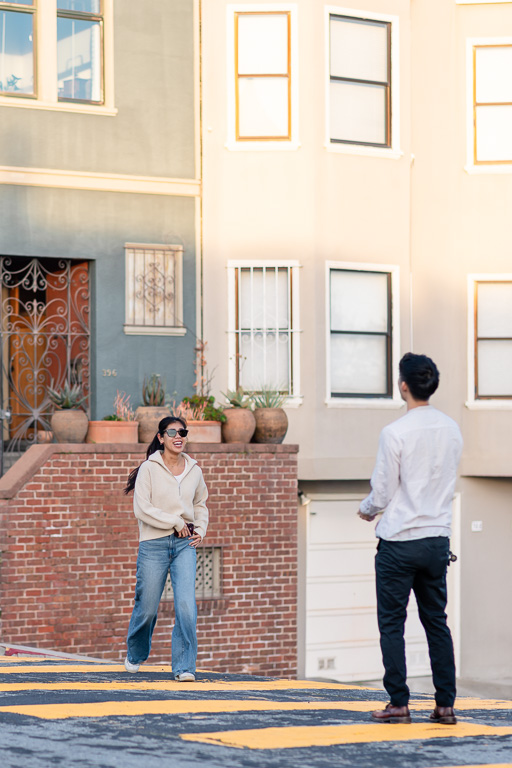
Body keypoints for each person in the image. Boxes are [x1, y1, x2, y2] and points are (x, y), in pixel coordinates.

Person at [358, 352, 463, 725]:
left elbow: (383, 492)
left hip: (399, 542)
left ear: (403, 385)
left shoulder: (395, 432)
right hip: (436, 539)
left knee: (392, 623)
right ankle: (445, 705)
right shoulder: (452, 429)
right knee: (437, 621)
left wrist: (367, 509)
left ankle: (399, 703)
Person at [123, 415, 209, 681]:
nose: (178, 436)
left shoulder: (194, 469)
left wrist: (201, 529)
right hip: (153, 544)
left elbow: (200, 504)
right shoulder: (149, 468)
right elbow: (142, 508)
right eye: (172, 432)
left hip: (185, 545)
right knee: (147, 607)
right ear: (161, 437)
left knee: (186, 606)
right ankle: (136, 653)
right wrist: (174, 521)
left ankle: (184, 666)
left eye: (182, 432)